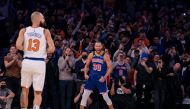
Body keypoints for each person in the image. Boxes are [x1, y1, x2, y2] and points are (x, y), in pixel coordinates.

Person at [16, 11, 55, 109]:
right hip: (39, 63)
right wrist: (42, 50)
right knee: (38, 92)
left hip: (27, 61)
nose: (44, 19)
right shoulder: (45, 31)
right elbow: (52, 49)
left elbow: (18, 46)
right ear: (39, 19)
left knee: (25, 90)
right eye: (43, 18)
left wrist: (28, 49)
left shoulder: (24, 30)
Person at [80, 41, 114, 109]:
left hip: (100, 78)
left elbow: (110, 68)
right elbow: (86, 66)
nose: (98, 47)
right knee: (84, 96)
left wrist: (104, 77)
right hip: (92, 77)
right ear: (94, 47)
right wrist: (85, 74)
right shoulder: (91, 54)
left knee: (106, 97)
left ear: (101, 47)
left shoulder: (105, 55)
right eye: (96, 46)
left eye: (99, 46)